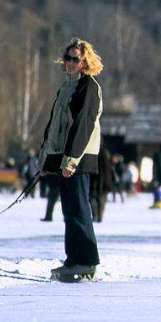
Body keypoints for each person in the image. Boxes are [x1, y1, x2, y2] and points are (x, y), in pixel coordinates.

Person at [39, 38, 105, 282]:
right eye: (66, 58)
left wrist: (71, 159)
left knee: (79, 209)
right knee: (69, 211)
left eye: (74, 59)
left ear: (84, 62)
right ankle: (73, 259)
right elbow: (55, 125)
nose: (68, 62)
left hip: (80, 156)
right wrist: (48, 158)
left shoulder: (88, 87)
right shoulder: (66, 87)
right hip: (64, 157)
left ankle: (87, 261)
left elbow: (83, 125)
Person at [89, 148, 113, 223]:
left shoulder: (92, 152)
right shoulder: (105, 155)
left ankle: (95, 215)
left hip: (93, 180)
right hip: (103, 181)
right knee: (101, 199)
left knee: (93, 198)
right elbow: (109, 171)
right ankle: (99, 216)